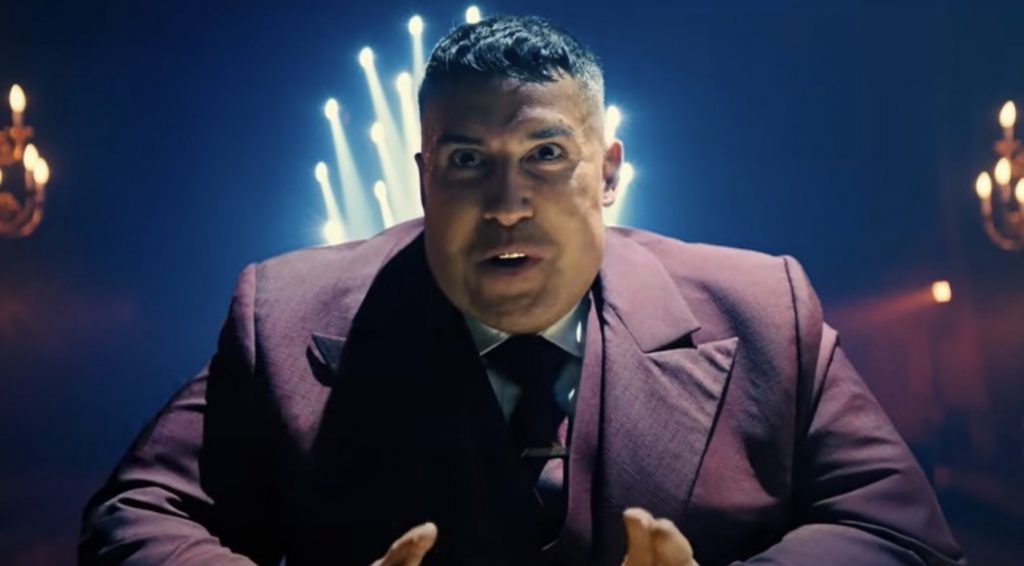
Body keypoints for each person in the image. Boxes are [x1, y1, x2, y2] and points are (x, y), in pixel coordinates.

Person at [79, 15, 965, 566]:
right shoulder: (283, 315)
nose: (507, 204)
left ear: (608, 172)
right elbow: (133, 520)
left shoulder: (766, 309)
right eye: (469, 161)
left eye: (546, 154)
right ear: (424, 177)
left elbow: (901, 533)